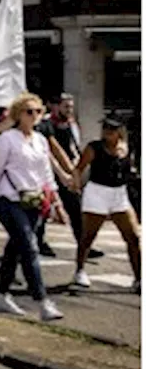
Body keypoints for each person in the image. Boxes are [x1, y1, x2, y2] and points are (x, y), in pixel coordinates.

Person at [0, 93, 68, 321]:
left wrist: (57, 203)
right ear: (17, 114)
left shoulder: (40, 140)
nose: (34, 116)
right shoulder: (6, 139)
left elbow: (46, 173)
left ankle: (1, 293)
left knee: (16, 247)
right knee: (30, 247)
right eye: (28, 112)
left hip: (34, 200)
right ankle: (42, 301)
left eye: (38, 111)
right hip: (9, 198)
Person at [70, 118, 140, 292]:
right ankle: (80, 270)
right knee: (89, 235)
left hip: (119, 193)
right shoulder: (94, 147)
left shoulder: (125, 147)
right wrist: (76, 184)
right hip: (98, 191)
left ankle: (139, 277)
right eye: (105, 128)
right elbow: (79, 168)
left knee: (133, 236)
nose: (108, 131)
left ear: (120, 131)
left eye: (112, 128)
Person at [38, 93, 85, 257]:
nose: (69, 110)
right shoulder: (45, 123)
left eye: (71, 107)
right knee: (43, 210)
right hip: (50, 171)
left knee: (76, 208)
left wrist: (76, 168)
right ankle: (39, 243)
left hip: (67, 169)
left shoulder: (71, 124)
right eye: (66, 106)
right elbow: (51, 150)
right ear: (55, 106)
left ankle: (83, 244)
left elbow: (74, 146)